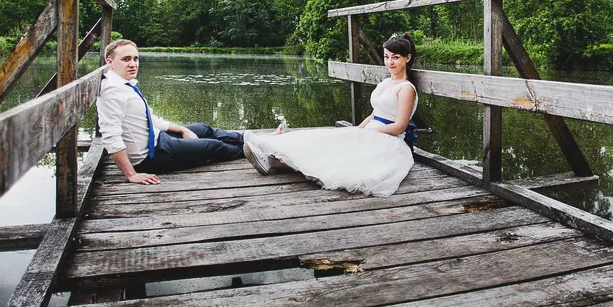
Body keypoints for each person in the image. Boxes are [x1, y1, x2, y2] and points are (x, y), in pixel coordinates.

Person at [243, 33, 419, 197]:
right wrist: (356, 130)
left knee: (337, 157)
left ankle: (274, 161)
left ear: (407, 58)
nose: (390, 63)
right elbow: (374, 115)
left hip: (388, 139)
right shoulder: (386, 82)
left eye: (395, 58)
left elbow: (400, 126)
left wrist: (369, 133)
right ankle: (270, 153)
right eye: (387, 57)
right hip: (369, 132)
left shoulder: (406, 89)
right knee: (328, 138)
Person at [97, 39, 245, 184]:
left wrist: (181, 129)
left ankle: (247, 139)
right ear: (110, 62)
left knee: (203, 129)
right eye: (126, 59)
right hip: (151, 156)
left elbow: (150, 119)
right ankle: (251, 152)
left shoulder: (123, 84)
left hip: (157, 138)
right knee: (214, 146)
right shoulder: (112, 92)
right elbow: (110, 136)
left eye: (136, 59)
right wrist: (131, 174)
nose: (133, 64)